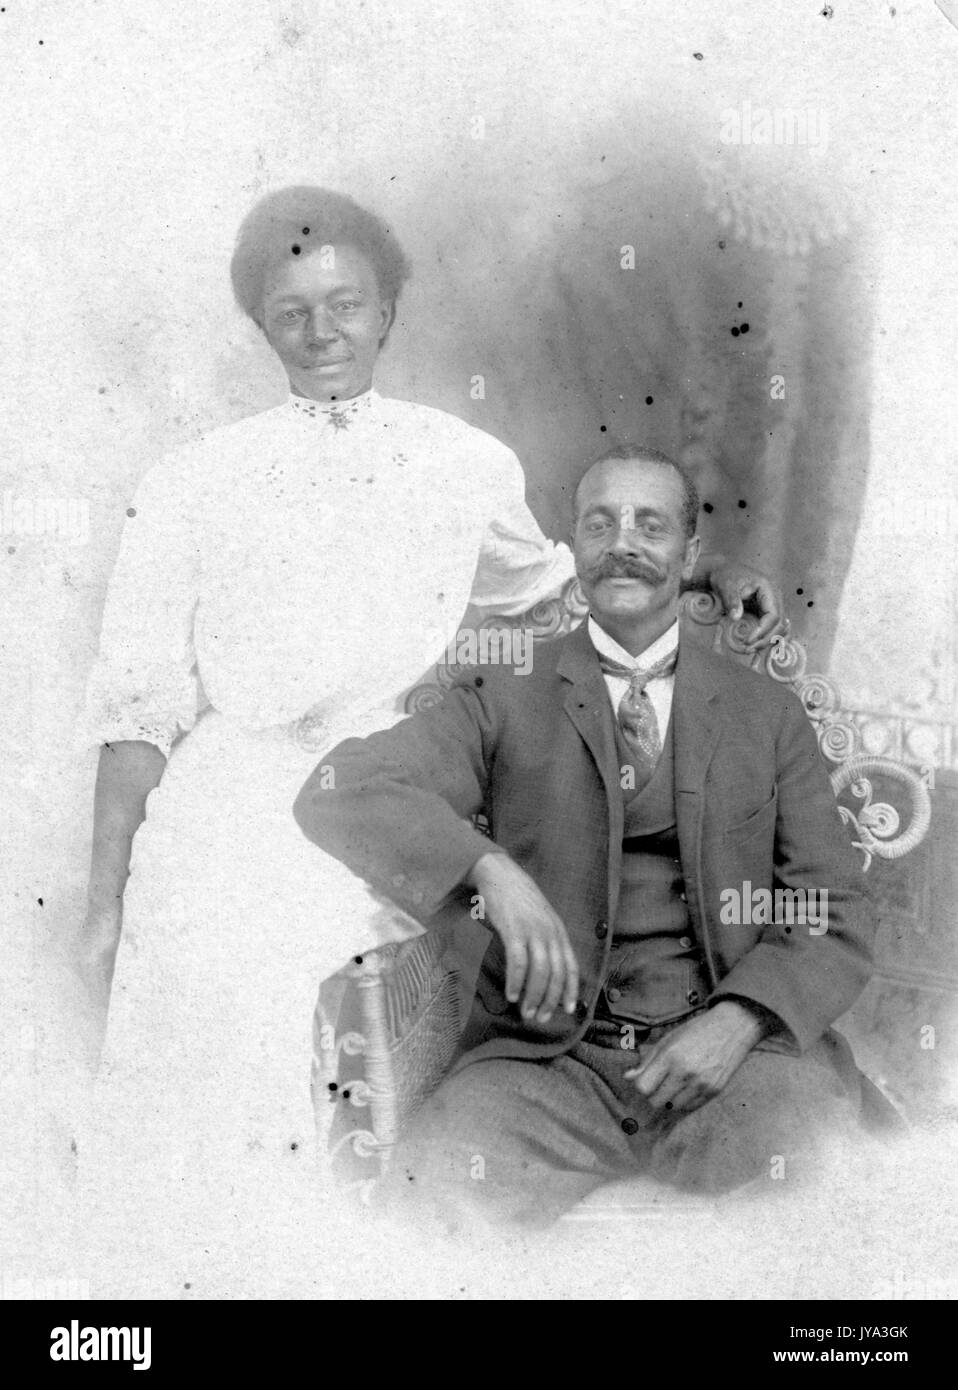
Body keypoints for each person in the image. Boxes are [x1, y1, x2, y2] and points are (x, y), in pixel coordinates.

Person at [75, 187, 781, 1282]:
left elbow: (559, 589)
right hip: (225, 790)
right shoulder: (188, 483)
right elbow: (135, 710)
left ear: (388, 310)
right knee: (210, 941)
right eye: (291, 312)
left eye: (345, 305)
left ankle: (326, 1266)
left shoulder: (462, 461)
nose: (321, 335)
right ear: (260, 324)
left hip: (383, 779)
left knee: (314, 946)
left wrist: (708, 574)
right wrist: (102, 902)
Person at [294, 444, 875, 1229]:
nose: (623, 544)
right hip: (548, 1068)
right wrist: (489, 869)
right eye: (600, 524)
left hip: (735, 1063)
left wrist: (737, 1023)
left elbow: (828, 906)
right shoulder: (502, 692)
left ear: (689, 554)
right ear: (577, 549)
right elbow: (343, 790)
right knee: (427, 1202)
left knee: (816, 1196)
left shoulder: (765, 713)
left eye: (650, 525)